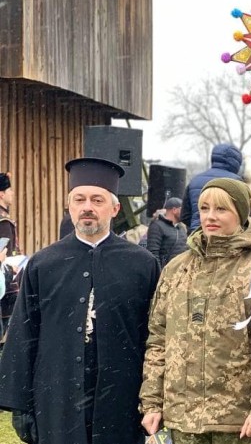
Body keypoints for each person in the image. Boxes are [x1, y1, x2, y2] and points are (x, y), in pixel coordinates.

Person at [0, 157, 161, 444]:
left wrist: (154, 400)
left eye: (97, 200)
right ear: (70, 206)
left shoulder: (143, 264)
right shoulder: (43, 264)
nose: (87, 207)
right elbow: (24, 333)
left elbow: (156, 337)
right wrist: (19, 404)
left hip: (121, 398)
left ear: (114, 208)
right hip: (56, 396)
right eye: (80, 199)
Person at [140, 178, 251, 443]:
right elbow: (158, 339)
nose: (210, 217)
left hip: (236, 422)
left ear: (240, 213)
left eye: (221, 209)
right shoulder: (176, 269)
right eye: (204, 208)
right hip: (183, 420)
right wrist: (151, 401)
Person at [181, 143, 243, 232]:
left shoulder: (195, 180)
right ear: (237, 162)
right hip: (226, 236)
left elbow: (185, 216)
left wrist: (197, 224)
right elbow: (244, 215)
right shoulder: (237, 182)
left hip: (196, 235)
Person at [0, 172, 21, 341]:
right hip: (6, 287)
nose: (13, 193)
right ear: (1, 194)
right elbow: (5, 254)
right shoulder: (3, 221)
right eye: (10, 190)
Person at [145, 197, 189, 268]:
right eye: (182, 209)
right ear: (174, 210)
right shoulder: (157, 226)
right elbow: (153, 253)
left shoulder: (182, 228)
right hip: (165, 273)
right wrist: (159, 274)